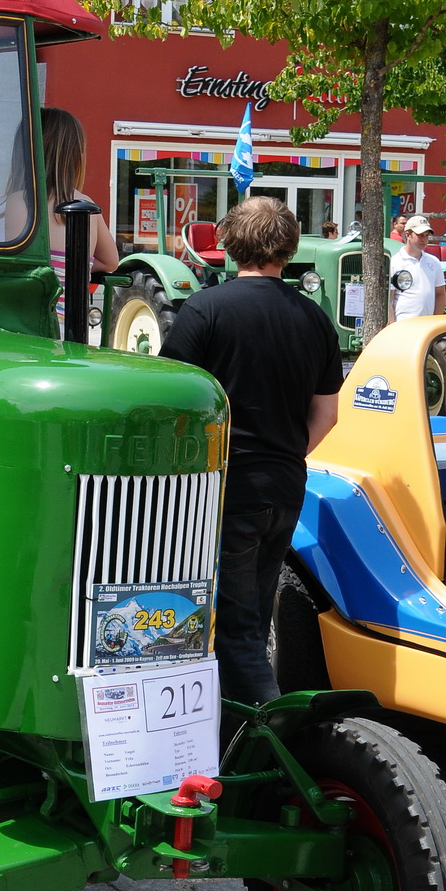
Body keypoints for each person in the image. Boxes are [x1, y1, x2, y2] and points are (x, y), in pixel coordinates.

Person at [161, 197, 342, 713]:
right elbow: (327, 416)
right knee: (251, 620)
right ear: (290, 247)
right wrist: (282, 455)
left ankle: (281, 747)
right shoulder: (315, 319)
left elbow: (170, 402)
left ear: (229, 243)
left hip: (224, 489)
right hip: (286, 486)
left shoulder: (205, 309)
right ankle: (231, 739)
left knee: (233, 631)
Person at [42, 109, 119, 318]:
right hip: (69, 319)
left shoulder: (15, 201)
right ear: (75, 155)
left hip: (28, 321)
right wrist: (78, 268)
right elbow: (111, 261)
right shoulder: (85, 204)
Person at [390, 213, 446, 320]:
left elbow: (440, 294)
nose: (424, 239)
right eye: (420, 235)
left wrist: (435, 321)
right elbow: (389, 298)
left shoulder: (434, 262)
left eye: (426, 235)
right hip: (403, 325)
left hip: (427, 326)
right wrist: (392, 325)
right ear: (408, 235)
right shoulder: (395, 262)